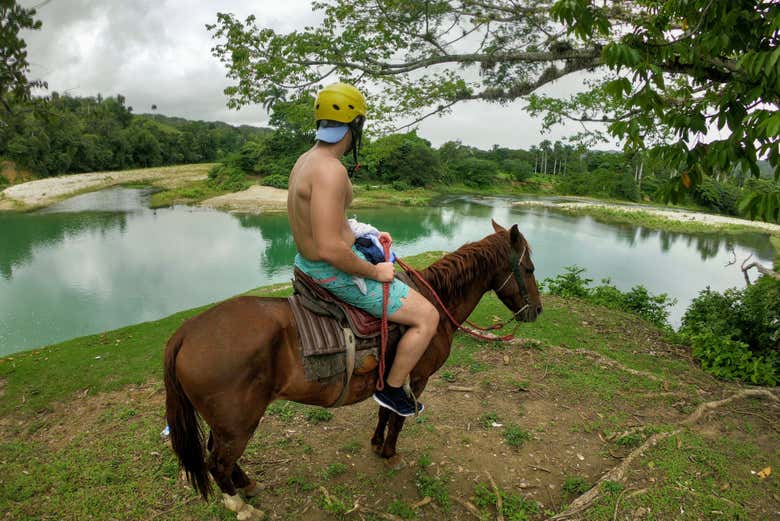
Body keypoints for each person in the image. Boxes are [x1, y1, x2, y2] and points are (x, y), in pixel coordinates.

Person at [287, 82, 440, 416]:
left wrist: (363, 232)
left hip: (306, 263)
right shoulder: (331, 170)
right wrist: (375, 271)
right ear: (356, 126)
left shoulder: (306, 160)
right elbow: (329, 246)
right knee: (428, 316)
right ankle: (393, 390)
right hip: (331, 271)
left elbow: (326, 224)